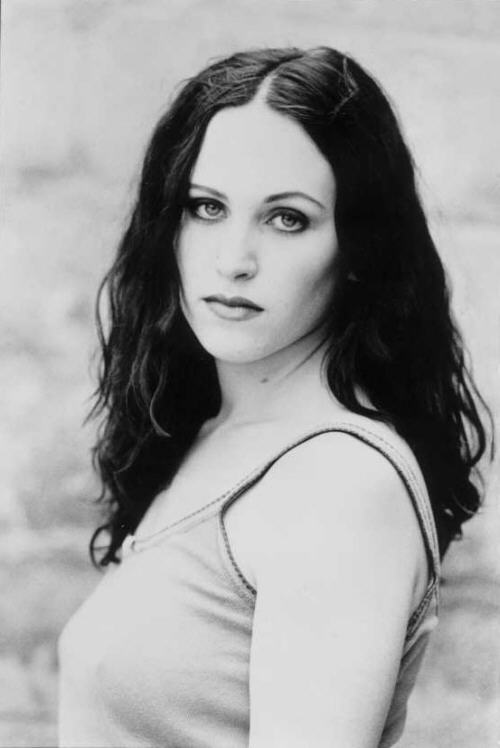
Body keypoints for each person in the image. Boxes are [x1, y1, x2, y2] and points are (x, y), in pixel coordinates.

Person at [58, 47, 492, 747]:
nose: (234, 259)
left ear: (358, 250)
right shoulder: (214, 435)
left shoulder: (339, 484)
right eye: (206, 207)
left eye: (287, 218)